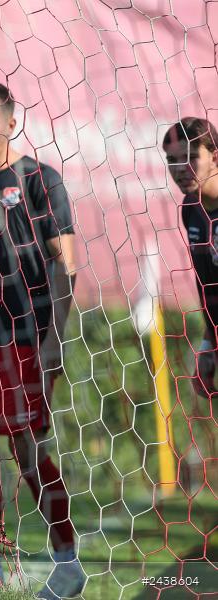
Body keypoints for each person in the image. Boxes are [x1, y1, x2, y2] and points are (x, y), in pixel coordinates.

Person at [0, 82, 84, 599]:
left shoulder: (41, 178)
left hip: (26, 334)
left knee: (24, 446)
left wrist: (54, 340)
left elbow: (66, 263)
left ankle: (67, 559)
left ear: (11, 122)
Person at [162, 117, 218, 479]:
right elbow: (206, 284)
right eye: (172, 161)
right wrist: (207, 344)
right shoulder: (190, 208)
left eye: (190, 159)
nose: (180, 170)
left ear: (215, 155)